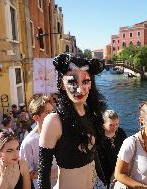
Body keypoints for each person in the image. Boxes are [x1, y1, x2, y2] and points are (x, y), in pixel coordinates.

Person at [38, 53, 106, 189]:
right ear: (62, 84)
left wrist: (104, 181)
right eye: (72, 82)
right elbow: (43, 172)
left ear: (91, 83)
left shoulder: (91, 114)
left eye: (85, 82)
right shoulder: (54, 121)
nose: (80, 89)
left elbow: (94, 154)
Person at [19, 95, 57, 189]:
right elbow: (28, 174)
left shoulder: (59, 133)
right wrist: (59, 172)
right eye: (48, 113)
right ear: (36, 117)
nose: (52, 115)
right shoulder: (28, 142)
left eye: (53, 111)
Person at [98, 110, 127, 187]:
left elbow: (127, 151)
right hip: (104, 172)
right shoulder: (98, 137)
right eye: (111, 125)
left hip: (119, 169)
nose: (115, 127)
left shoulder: (120, 132)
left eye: (117, 124)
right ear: (103, 124)